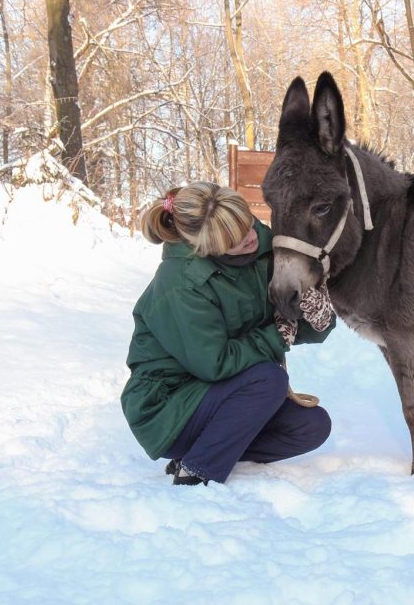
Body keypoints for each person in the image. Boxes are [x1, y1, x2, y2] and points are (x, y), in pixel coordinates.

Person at [121, 181, 336, 486]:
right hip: (168, 408)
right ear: (209, 246)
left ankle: (210, 449)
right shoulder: (180, 284)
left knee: (311, 426)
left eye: (247, 223)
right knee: (268, 379)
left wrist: (317, 318)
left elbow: (289, 319)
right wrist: (277, 335)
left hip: (223, 397)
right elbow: (214, 363)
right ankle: (197, 470)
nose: (250, 238)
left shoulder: (263, 248)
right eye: (234, 239)